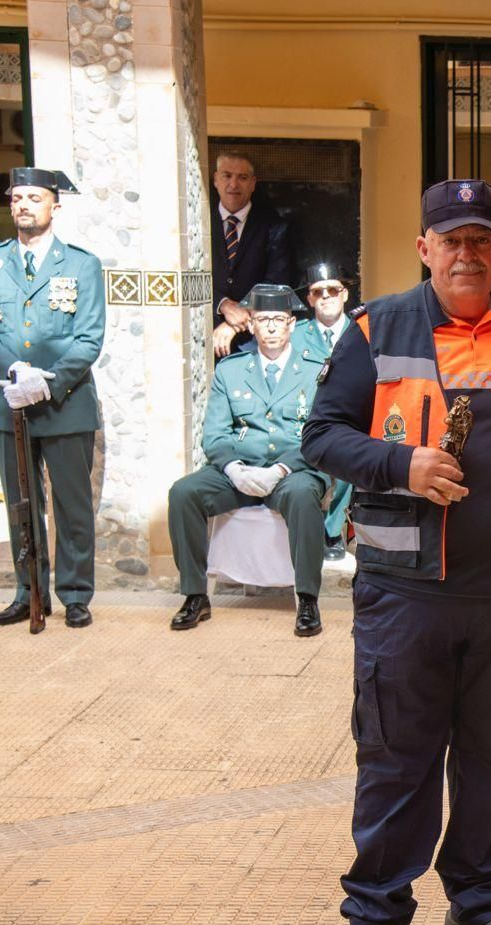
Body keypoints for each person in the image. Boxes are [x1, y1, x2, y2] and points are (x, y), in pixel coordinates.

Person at [301, 178, 491, 925]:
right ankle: (375, 918)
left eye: (481, 240)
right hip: (407, 594)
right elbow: (321, 436)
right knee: (397, 756)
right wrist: (402, 463)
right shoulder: (375, 327)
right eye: (450, 240)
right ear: (424, 248)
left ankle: (482, 902)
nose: (467, 253)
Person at [0, 168, 106, 628]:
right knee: (21, 505)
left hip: (65, 402)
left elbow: (89, 339)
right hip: (10, 401)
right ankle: (29, 592)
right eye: (17, 197)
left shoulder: (81, 264)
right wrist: (15, 370)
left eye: (34, 197)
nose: (23, 205)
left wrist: (46, 380)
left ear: (55, 206)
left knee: (72, 506)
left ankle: (76, 593)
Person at [167, 283, 329, 637]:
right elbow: (214, 434)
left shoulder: (315, 371)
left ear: (291, 325)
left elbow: (321, 434)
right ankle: (195, 595)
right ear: (251, 325)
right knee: (184, 493)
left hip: (292, 470)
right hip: (238, 470)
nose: (271, 327)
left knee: (303, 496)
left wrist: (281, 469)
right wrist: (233, 469)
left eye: (279, 319)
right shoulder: (230, 370)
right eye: (263, 319)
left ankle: (307, 599)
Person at [293, 261, 355, 561]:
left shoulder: (362, 331)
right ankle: (313, 528)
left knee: (347, 456)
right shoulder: (295, 335)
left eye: (333, 290)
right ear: (309, 298)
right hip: (305, 420)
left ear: (345, 294)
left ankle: (332, 531)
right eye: (318, 292)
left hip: (349, 420)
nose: (326, 296)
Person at [210, 151, 294, 357]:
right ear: (215, 179)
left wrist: (235, 324)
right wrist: (223, 305)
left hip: (254, 338)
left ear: (253, 183)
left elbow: (276, 282)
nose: (234, 184)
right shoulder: (198, 221)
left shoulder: (274, 225)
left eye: (243, 177)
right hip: (205, 332)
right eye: (227, 175)